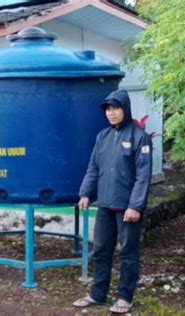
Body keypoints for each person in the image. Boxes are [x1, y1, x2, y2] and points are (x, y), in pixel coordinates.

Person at [72, 90, 152, 314]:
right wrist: (86, 192)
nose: (111, 113)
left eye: (115, 108)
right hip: (106, 204)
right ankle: (98, 294)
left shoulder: (139, 137)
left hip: (127, 208)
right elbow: (94, 167)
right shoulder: (103, 137)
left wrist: (135, 206)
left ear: (125, 109)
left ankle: (125, 297)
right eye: (108, 109)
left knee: (128, 253)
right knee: (100, 250)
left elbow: (143, 175)